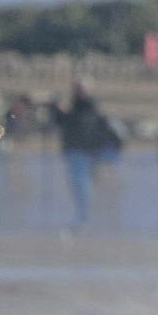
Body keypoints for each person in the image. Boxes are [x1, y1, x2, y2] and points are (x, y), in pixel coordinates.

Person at [51, 79, 120, 230]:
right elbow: (62, 123)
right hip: (76, 152)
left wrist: (62, 112)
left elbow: (81, 125)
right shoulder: (76, 108)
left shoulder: (87, 107)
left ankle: (86, 217)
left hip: (84, 152)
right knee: (78, 185)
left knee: (83, 185)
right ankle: (83, 216)